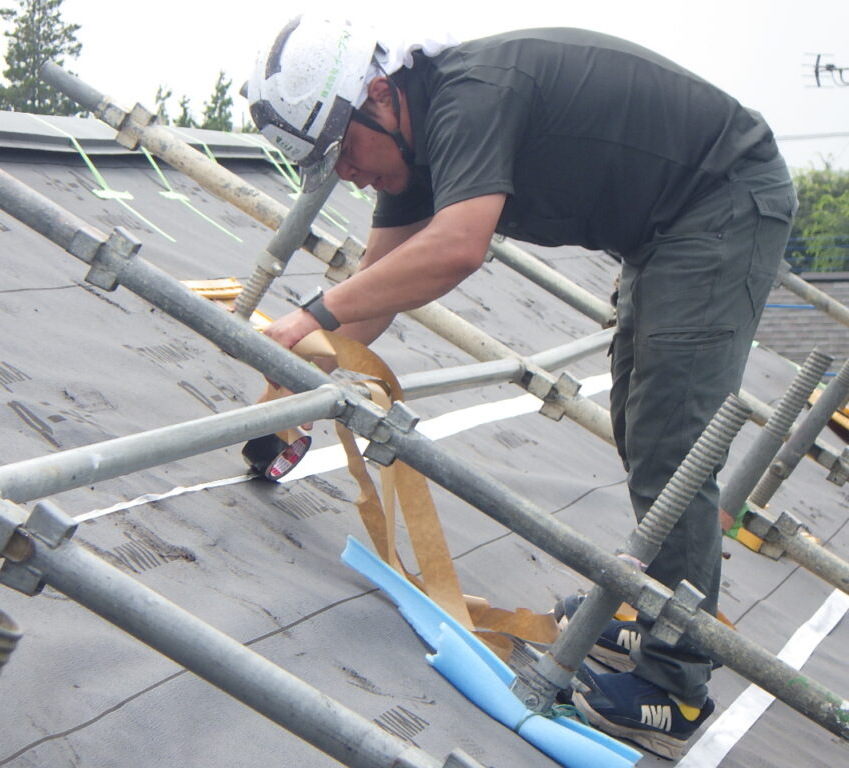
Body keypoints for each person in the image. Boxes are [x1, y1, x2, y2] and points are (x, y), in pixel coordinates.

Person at [245, 16, 796, 760]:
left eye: (344, 150)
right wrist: (293, 383)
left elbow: (459, 247)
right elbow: (371, 297)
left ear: (379, 94)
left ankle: (677, 684)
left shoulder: (465, 101)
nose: (348, 175)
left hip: (721, 199)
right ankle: (657, 611)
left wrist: (308, 316)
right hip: (667, 227)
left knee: (673, 437)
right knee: (641, 420)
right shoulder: (407, 150)